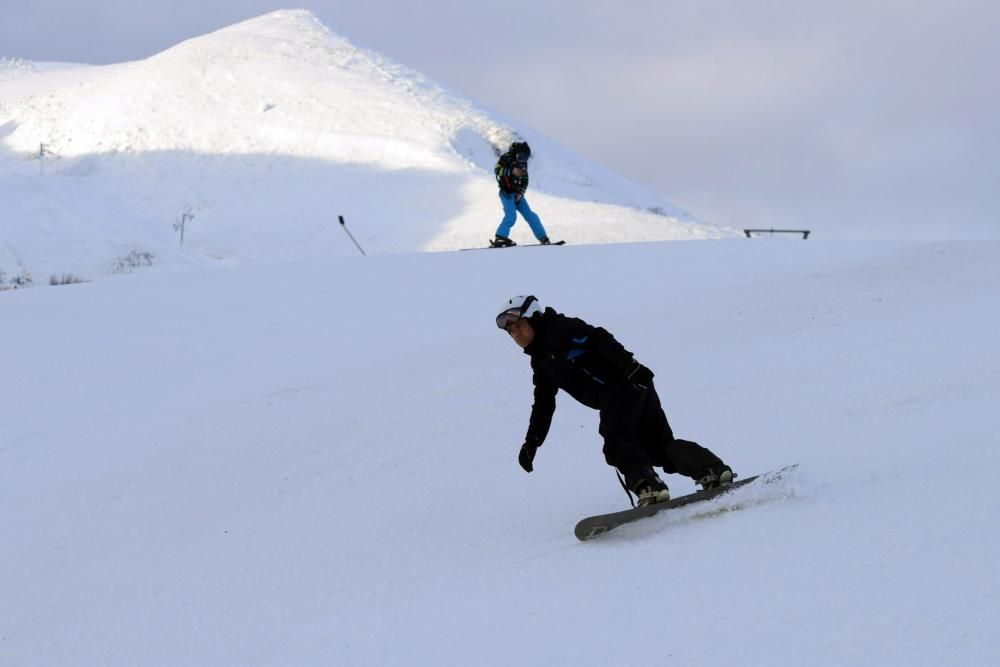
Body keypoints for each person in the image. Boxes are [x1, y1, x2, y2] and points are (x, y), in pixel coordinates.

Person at [496, 295, 734, 506]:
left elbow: (599, 338)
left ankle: (648, 487)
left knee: (617, 443)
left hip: (621, 385)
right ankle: (711, 469)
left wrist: (630, 367)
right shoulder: (540, 362)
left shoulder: (559, 328)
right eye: (510, 331)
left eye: (518, 326)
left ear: (534, 318)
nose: (515, 334)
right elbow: (544, 403)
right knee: (658, 448)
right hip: (634, 385)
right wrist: (532, 442)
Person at [492, 141, 551, 247]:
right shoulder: (505, 158)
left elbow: (525, 179)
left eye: (526, 157)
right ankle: (500, 238)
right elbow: (497, 170)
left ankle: (543, 238)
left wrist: (521, 193)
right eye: (521, 156)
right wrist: (511, 171)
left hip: (517, 195)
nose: (523, 159)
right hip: (506, 194)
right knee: (511, 216)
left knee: (531, 216)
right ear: (516, 153)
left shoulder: (523, 163)